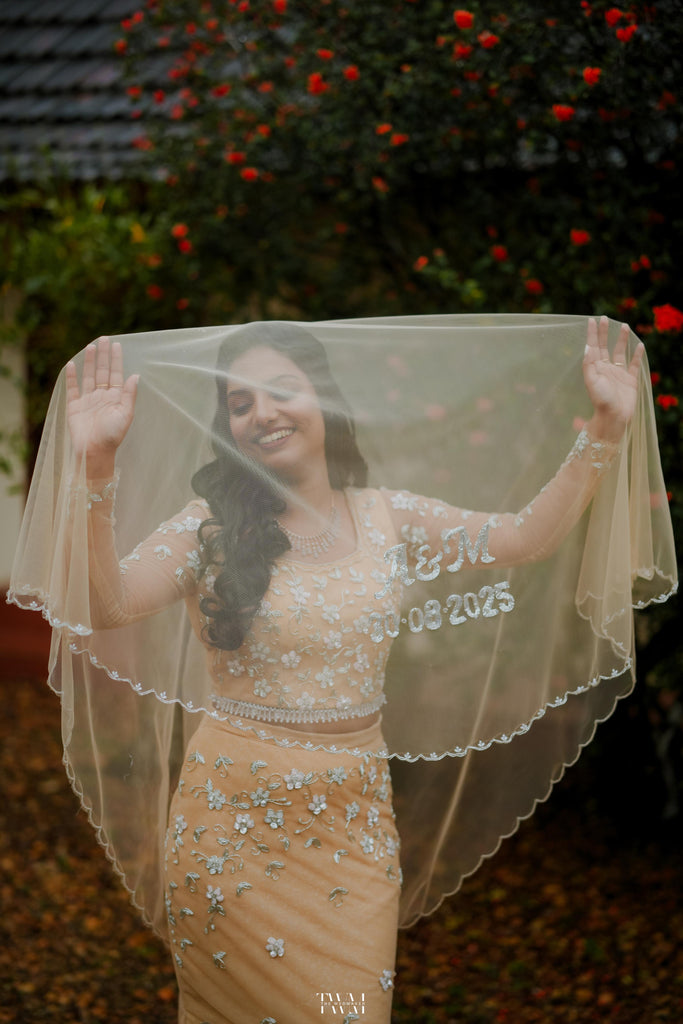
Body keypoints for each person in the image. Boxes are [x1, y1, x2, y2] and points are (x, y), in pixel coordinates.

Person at [10, 315, 676, 1023]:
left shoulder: (388, 517)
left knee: (350, 1011)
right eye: (240, 403)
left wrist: (606, 427)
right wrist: (97, 465)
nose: (262, 412)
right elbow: (107, 603)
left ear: (322, 398)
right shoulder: (209, 529)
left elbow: (523, 537)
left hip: (354, 837)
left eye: (280, 390)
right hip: (229, 837)